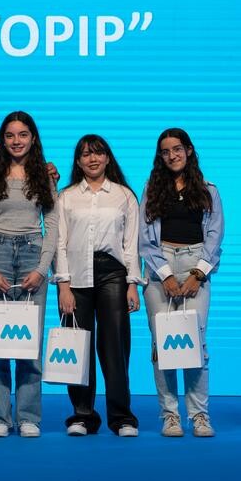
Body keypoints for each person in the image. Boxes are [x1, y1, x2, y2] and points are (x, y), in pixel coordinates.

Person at [55, 134, 142, 437]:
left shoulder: (124, 196)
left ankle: (122, 417)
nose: (92, 159)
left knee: (114, 347)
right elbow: (59, 244)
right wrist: (63, 285)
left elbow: (131, 244)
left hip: (112, 275)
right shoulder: (66, 197)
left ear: (107, 158)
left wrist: (132, 284)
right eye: (85, 154)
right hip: (75, 276)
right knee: (77, 346)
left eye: (98, 153)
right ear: (78, 162)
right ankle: (83, 415)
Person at [139, 128, 223, 439]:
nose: (172, 155)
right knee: (162, 346)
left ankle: (199, 416)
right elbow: (144, 238)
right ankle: (170, 416)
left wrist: (198, 274)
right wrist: (166, 275)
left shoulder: (208, 189)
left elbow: (215, 235)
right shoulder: (151, 189)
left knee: (195, 344)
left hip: (194, 265)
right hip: (160, 267)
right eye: (165, 151)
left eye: (177, 149)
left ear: (188, 150)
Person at [0, 111, 58, 438]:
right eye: (10, 135)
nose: (16, 141)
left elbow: (52, 226)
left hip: (31, 257)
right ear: (3, 139)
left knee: (29, 344)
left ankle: (28, 417)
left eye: (23, 134)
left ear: (33, 138)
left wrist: (41, 269)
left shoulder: (44, 177)